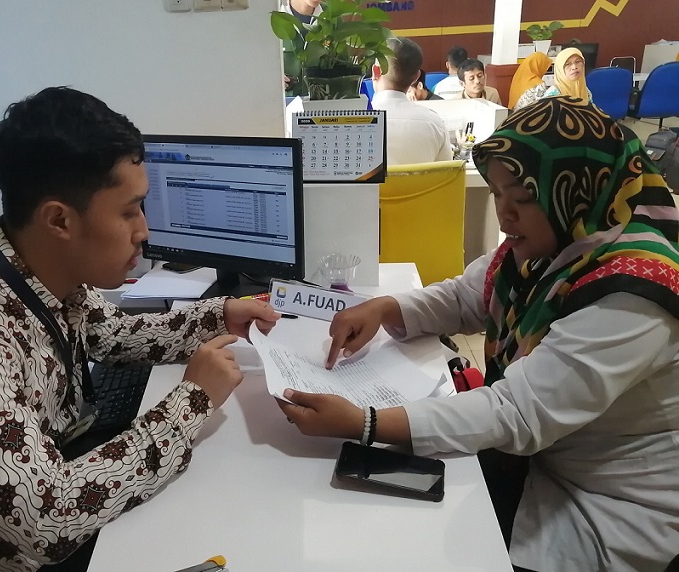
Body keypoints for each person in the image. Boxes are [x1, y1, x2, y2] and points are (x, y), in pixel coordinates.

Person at [278, 96, 679, 571]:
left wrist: (364, 423)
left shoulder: (632, 292)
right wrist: (386, 307)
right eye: (496, 193)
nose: (504, 215)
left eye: (522, 198)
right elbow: (466, 296)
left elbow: (519, 412)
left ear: (577, 188)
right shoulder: (562, 243)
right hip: (544, 461)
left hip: (608, 501)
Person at [0, 86, 280, 571]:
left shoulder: (29, 262)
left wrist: (218, 315)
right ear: (59, 220)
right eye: (129, 211)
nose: (144, 230)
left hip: (48, 490)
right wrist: (192, 401)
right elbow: (49, 519)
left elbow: (112, 336)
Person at [371, 36, 451, 165]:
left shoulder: (353, 123)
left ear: (375, 72)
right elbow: (447, 172)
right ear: (416, 77)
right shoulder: (435, 123)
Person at [280, 0, 322, 96]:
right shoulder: (275, 17)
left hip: (322, 102)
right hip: (282, 102)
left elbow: (346, 72)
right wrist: (270, 78)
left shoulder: (332, 16)